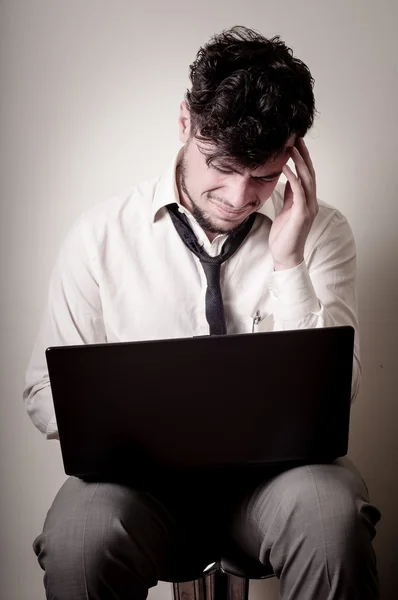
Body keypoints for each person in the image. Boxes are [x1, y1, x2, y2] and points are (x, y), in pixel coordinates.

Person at [24, 25, 381, 600]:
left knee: (329, 515)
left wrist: (289, 259)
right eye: (220, 165)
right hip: (141, 489)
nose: (240, 197)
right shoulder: (100, 236)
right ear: (186, 122)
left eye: (264, 175)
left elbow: (336, 397)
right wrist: (144, 425)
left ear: (294, 155)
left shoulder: (322, 233)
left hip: (277, 486)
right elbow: (43, 391)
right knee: (80, 536)